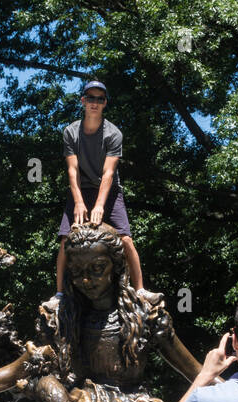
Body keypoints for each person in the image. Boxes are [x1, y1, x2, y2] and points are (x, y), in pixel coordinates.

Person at [56, 80, 145, 292]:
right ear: (83, 100)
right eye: (90, 98)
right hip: (81, 189)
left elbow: (108, 173)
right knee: (66, 240)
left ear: (105, 103)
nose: (94, 102)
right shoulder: (71, 132)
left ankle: (141, 290)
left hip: (109, 191)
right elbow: (72, 170)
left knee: (125, 239)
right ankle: (59, 294)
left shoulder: (113, 134)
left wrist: (99, 206)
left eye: (100, 99)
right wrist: (78, 202)